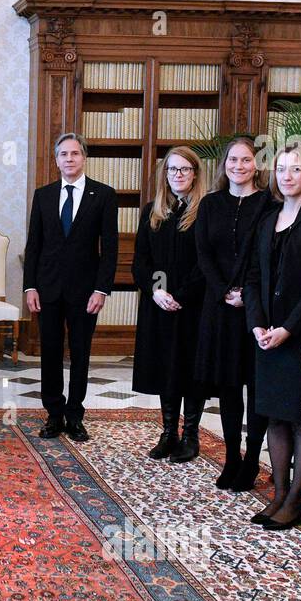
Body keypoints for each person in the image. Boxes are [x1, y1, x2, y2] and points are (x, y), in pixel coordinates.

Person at [244, 142, 301, 530]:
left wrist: (288, 329)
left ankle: (296, 500)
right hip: (267, 335)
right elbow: (251, 278)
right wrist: (258, 325)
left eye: (296, 169)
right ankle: (279, 494)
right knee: (275, 417)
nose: (287, 175)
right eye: (281, 169)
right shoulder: (267, 220)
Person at [23, 132, 118, 440]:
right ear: (56, 159)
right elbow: (34, 245)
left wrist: (101, 289)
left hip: (85, 291)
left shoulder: (103, 195)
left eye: (74, 153)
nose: (69, 159)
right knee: (49, 353)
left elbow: (110, 248)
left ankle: (75, 416)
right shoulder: (44, 195)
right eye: (63, 154)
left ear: (84, 158)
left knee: (80, 354)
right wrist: (30, 287)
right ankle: (53, 414)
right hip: (47, 289)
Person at [194, 135, 274, 491]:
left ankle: (253, 459)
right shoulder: (211, 204)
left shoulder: (270, 204)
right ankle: (231, 457)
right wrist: (225, 291)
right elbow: (203, 253)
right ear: (223, 165)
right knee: (228, 387)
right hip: (220, 308)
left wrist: (247, 294)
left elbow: (267, 253)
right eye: (232, 160)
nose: (238, 166)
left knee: (256, 388)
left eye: (245, 160)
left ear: (256, 164)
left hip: (256, 309)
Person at [131, 146, 209, 462]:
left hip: (193, 307)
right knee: (166, 368)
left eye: (184, 169)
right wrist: (159, 292)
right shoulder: (153, 210)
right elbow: (141, 261)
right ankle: (168, 433)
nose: (177, 175)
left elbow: (207, 262)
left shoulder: (206, 211)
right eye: (172, 169)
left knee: (190, 370)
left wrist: (182, 295)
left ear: (195, 174)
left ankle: (190, 435)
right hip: (159, 305)